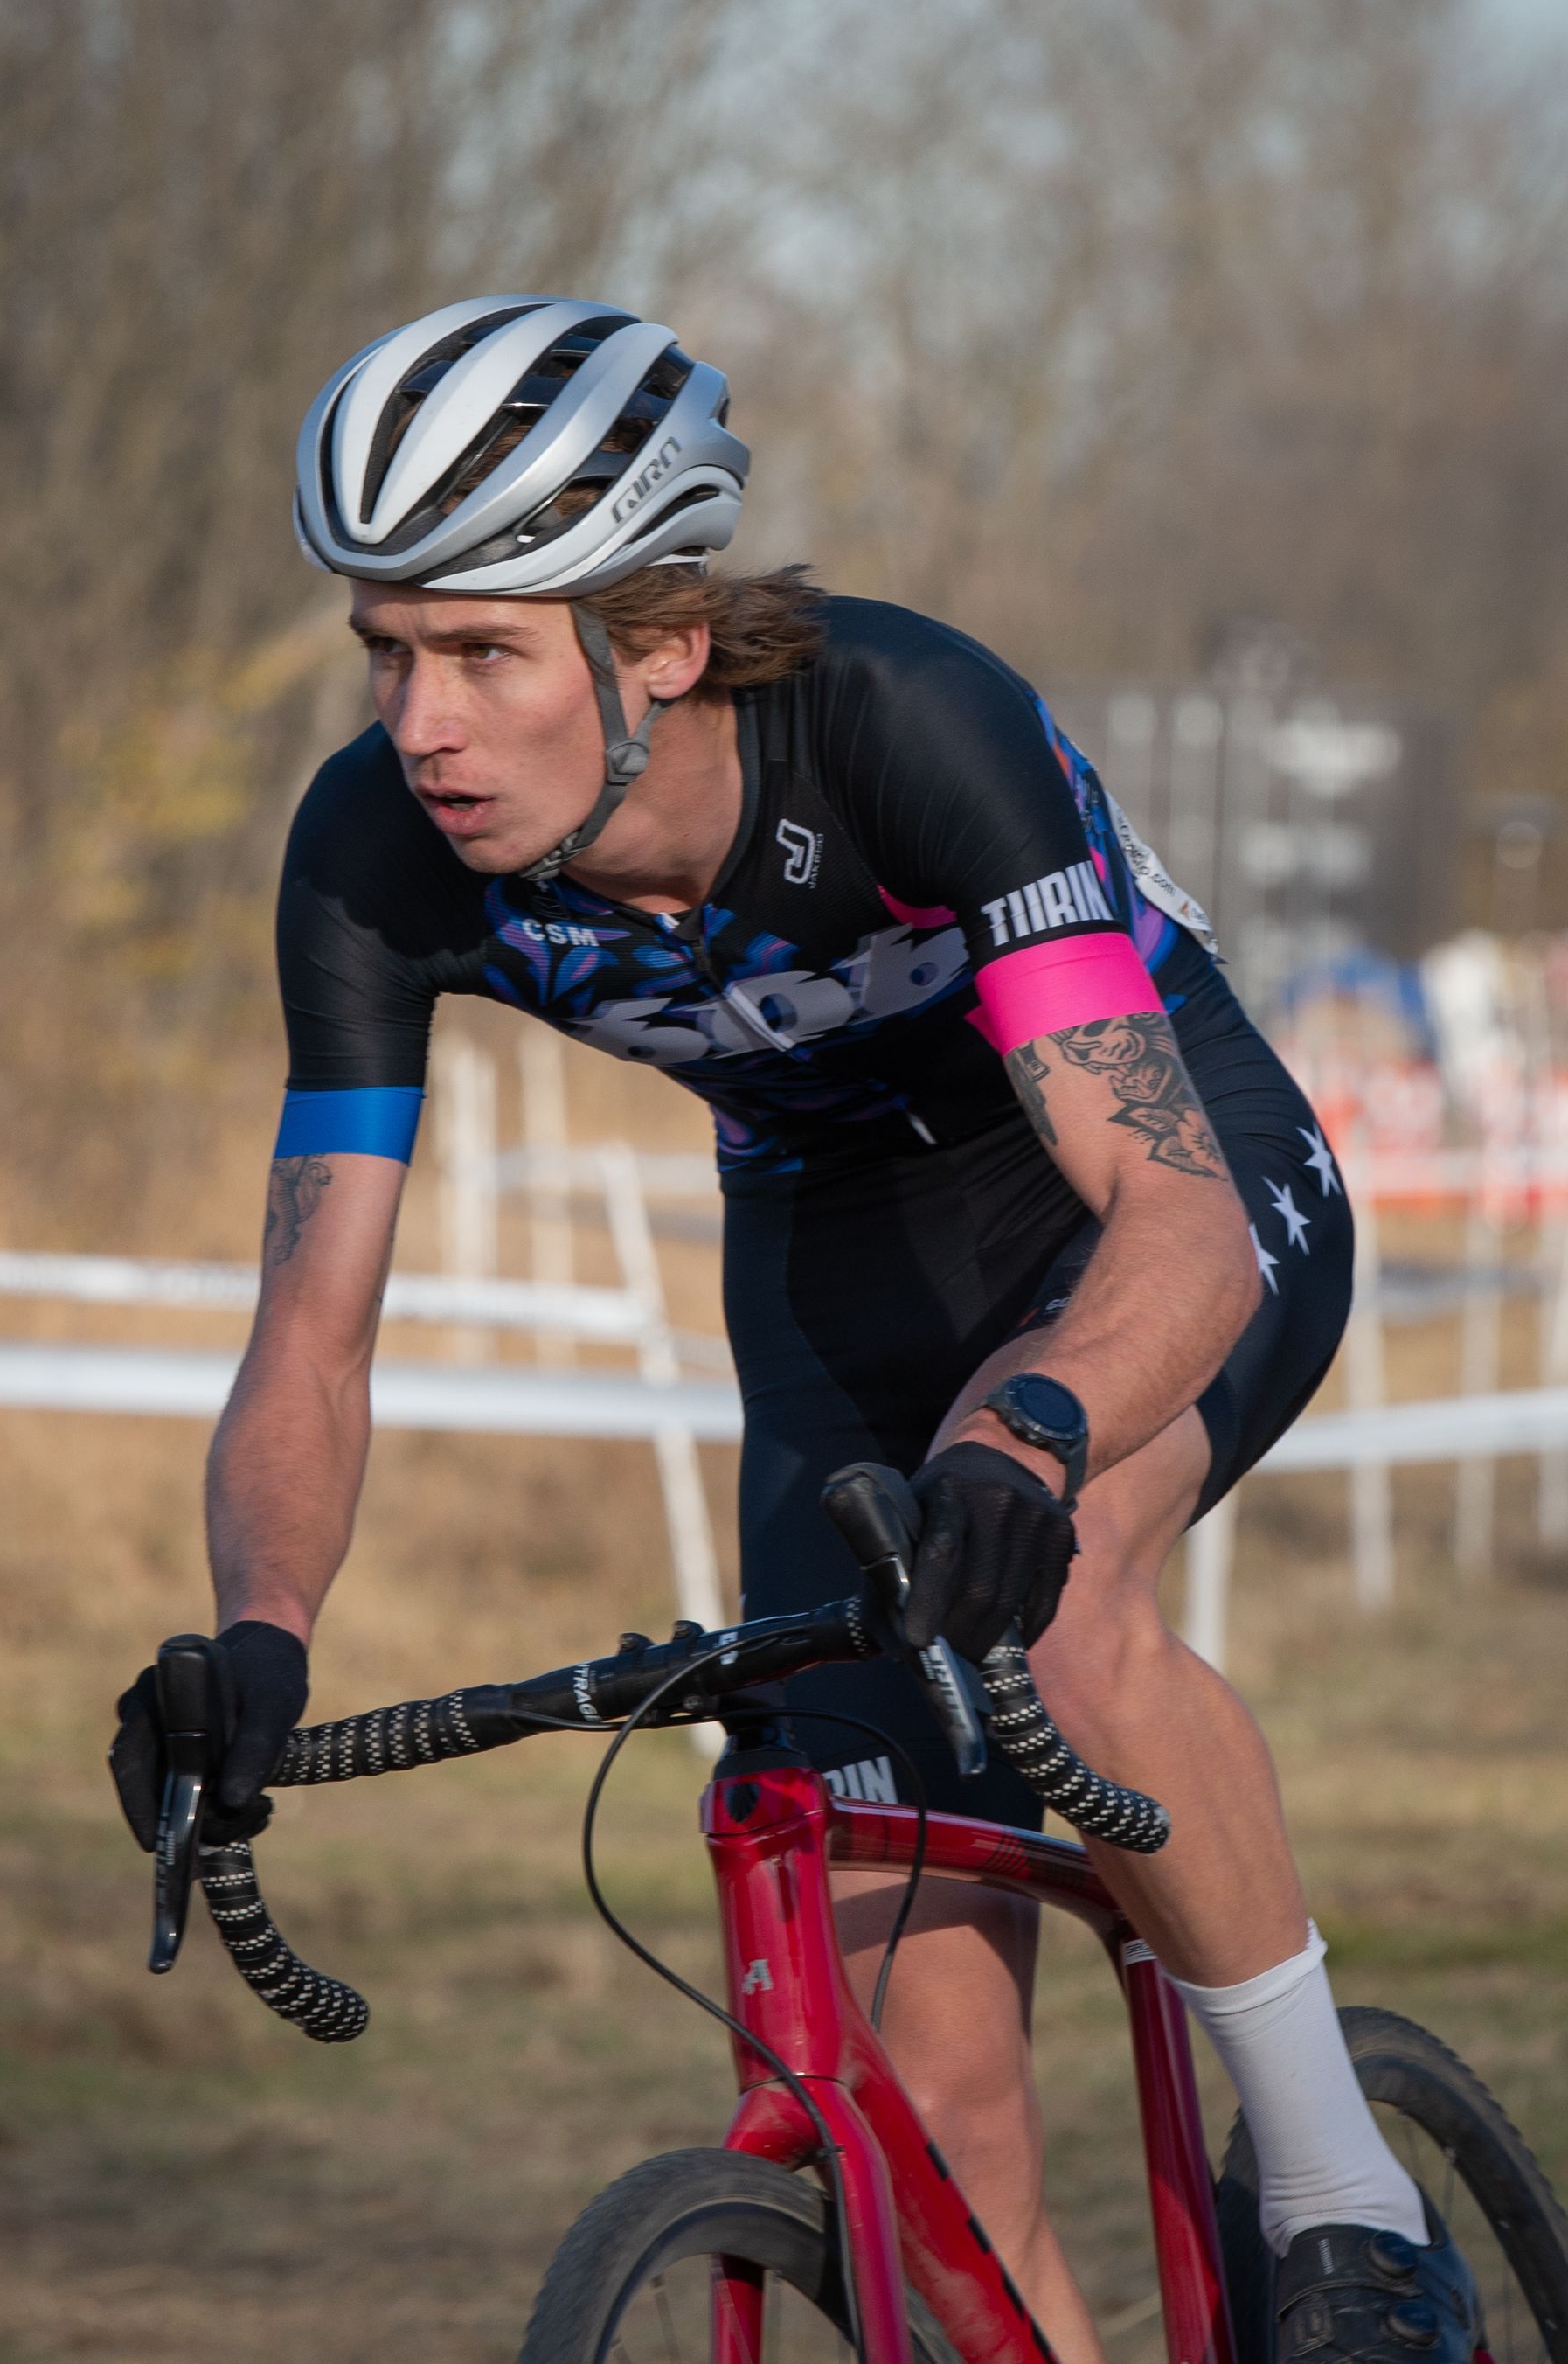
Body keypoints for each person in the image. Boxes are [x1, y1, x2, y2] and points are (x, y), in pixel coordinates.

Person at [112, 296, 1476, 2364]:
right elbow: (314, 1320)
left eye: (484, 650)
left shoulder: (904, 721)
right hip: (835, 1247)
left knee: (1070, 1603)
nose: (422, 724)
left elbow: (1172, 1213)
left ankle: (1346, 2210)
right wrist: (261, 1635)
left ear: (659, 637)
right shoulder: (377, 854)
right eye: (387, 651)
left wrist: (1026, 1438)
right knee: (908, 2067)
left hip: (1142, 1175)